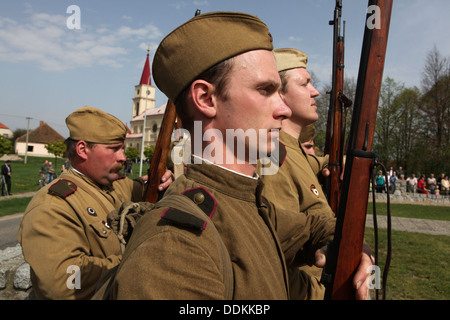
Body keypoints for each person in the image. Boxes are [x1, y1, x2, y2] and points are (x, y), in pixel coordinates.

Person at [110, 12, 372, 300]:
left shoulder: (245, 202)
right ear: (206, 99)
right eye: (265, 90)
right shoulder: (175, 244)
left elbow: (316, 226)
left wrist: (354, 250)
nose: (283, 110)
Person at [18, 106, 173, 299]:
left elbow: (145, 189)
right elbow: (62, 283)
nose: (123, 157)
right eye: (114, 149)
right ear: (82, 149)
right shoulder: (53, 205)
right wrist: (136, 258)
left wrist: (164, 180)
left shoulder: (114, 185)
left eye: (122, 149)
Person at [259, 48, 333, 300]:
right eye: (305, 84)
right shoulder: (274, 157)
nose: (315, 91)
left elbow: (313, 163)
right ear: (279, 94)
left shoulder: (294, 151)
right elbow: (277, 259)